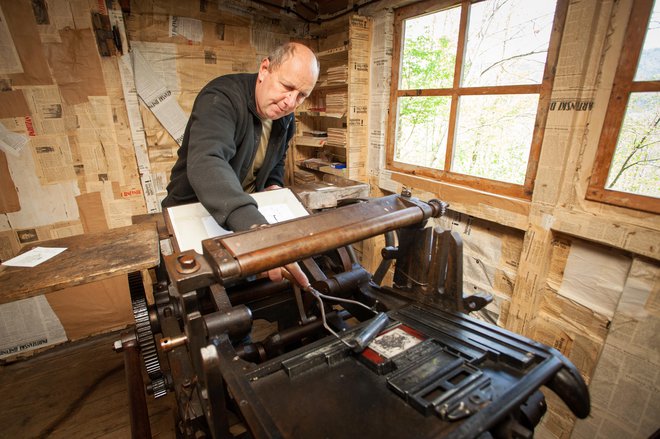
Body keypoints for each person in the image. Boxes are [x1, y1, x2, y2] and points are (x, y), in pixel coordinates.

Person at [162, 42, 319, 288]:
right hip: (194, 210)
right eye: (287, 87)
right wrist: (257, 229)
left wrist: (274, 185)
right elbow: (207, 161)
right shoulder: (221, 98)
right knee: (205, 290)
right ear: (265, 69)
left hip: (240, 211)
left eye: (302, 95)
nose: (291, 102)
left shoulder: (284, 118)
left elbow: (276, 160)